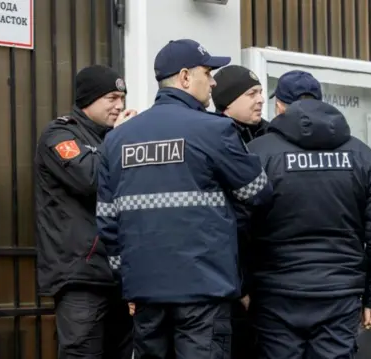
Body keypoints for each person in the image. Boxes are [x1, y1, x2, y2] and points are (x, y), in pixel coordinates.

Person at [95, 39, 273, 359]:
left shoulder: (117, 139)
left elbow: (108, 221)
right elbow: (259, 192)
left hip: (146, 289)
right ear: (186, 77)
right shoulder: (214, 130)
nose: (214, 81)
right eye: (209, 72)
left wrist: (129, 280)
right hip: (204, 288)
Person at [246, 70, 371, 359]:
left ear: (279, 106)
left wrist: (241, 286)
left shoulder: (259, 153)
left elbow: (239, 224)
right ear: (319, 101)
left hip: (276, 292)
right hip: (339, 293)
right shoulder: (361, 154)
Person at [34, 65, 137, 359]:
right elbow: (90, 179)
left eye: (122, 98)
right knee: (82, 354)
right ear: (88, 99)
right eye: (112, 98)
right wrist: (119, 140)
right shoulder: (60, 134)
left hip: (120, 274)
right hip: (81, 274)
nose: (120, 106)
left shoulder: (113, 137)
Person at [211, 64, 269, 359]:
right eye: (251, 93)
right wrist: (242, 284)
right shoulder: (212, 139)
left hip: (270, 276)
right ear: (227, 102)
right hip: (227, 279)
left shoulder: (273, 137)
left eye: (260, 92)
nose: (260, 99)